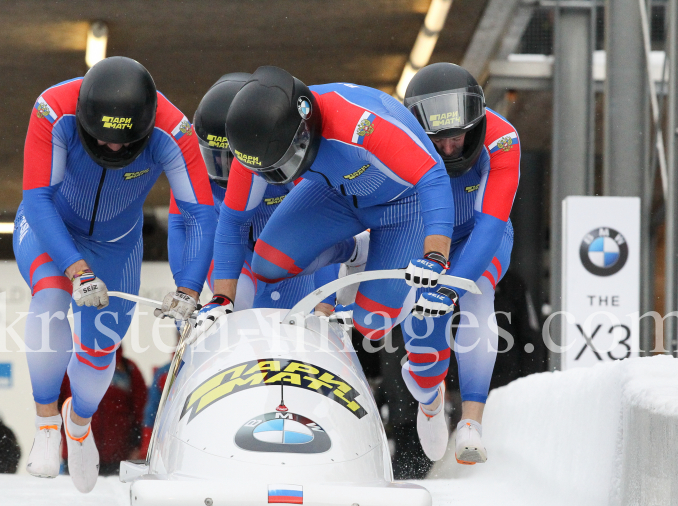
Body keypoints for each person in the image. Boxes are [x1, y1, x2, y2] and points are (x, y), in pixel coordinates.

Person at [15, 56, 217, 493]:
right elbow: (37, 198)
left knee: (100, 347)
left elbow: (201, 214)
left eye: (123, 144)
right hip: (52, 229)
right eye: (100, 140)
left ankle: (79, 422)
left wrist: (188, 288)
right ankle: (46, 423)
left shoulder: (174, 131)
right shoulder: (53, 108)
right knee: (50, 297)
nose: (110, 149)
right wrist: (74, 268)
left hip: (117, 247)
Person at [201, 66, 456, 354]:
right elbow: (233, 220)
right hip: (338, 192)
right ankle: (354, 251)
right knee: (267, 264)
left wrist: (435, 252)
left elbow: (433, 176)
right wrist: (221, 299)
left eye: (282, 164)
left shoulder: (359, 125)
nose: (276, 176)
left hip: (403, 206)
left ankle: (383, 259)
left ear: (303, 131)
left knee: (372, 324)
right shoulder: (254, 148)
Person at [399, 62, 521, 465]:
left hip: (483, 231)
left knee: (477, 294)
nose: (449, 149)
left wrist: (454, 284)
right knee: (421, 312)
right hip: (425, 234)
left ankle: (472, 422)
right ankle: (429, 397)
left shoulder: (502, 140)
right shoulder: (396, 140)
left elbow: (491, 223)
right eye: (439, 141)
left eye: (458, 137)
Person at [192, 72, 362, 314]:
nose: (227, 171)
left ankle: (355, 253)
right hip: (240, 254)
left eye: (233, 157)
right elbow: (195, 223)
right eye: (216, 158)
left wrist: (325, 301)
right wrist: (198, 293)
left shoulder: (286, 157)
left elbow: (317, 230)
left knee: (303, 316)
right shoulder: (193, 154)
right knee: (238, 303)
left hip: (287, 249)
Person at [59, 346, 146, 475]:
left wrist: (137, 446)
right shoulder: (71, 366)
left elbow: (141, 412)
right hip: (77, 456)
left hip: (118, 459)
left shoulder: (128, 369)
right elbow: (57, 406)